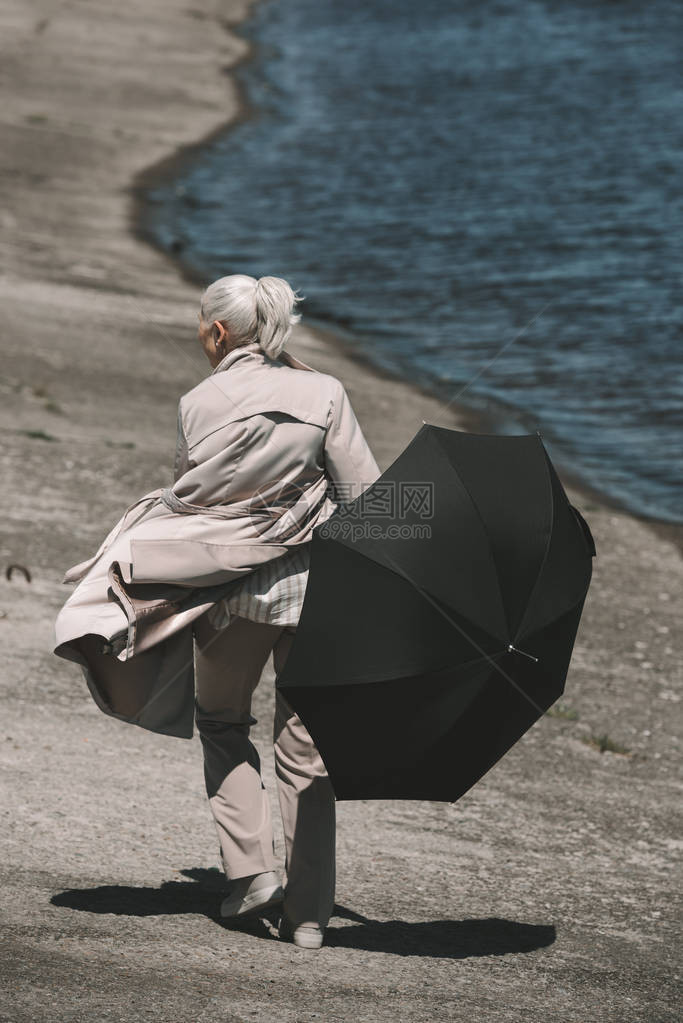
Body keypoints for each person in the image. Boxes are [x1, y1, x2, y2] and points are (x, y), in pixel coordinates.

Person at [177, 274, 380, 949]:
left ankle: (250, 874)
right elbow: (366, 498)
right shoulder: (324, 392)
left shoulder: (197, 401)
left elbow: (191, 501)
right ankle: (309, 916)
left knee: (221, 720)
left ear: (215, 333)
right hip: (313, 596)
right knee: (306, 751)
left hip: (230, 597)